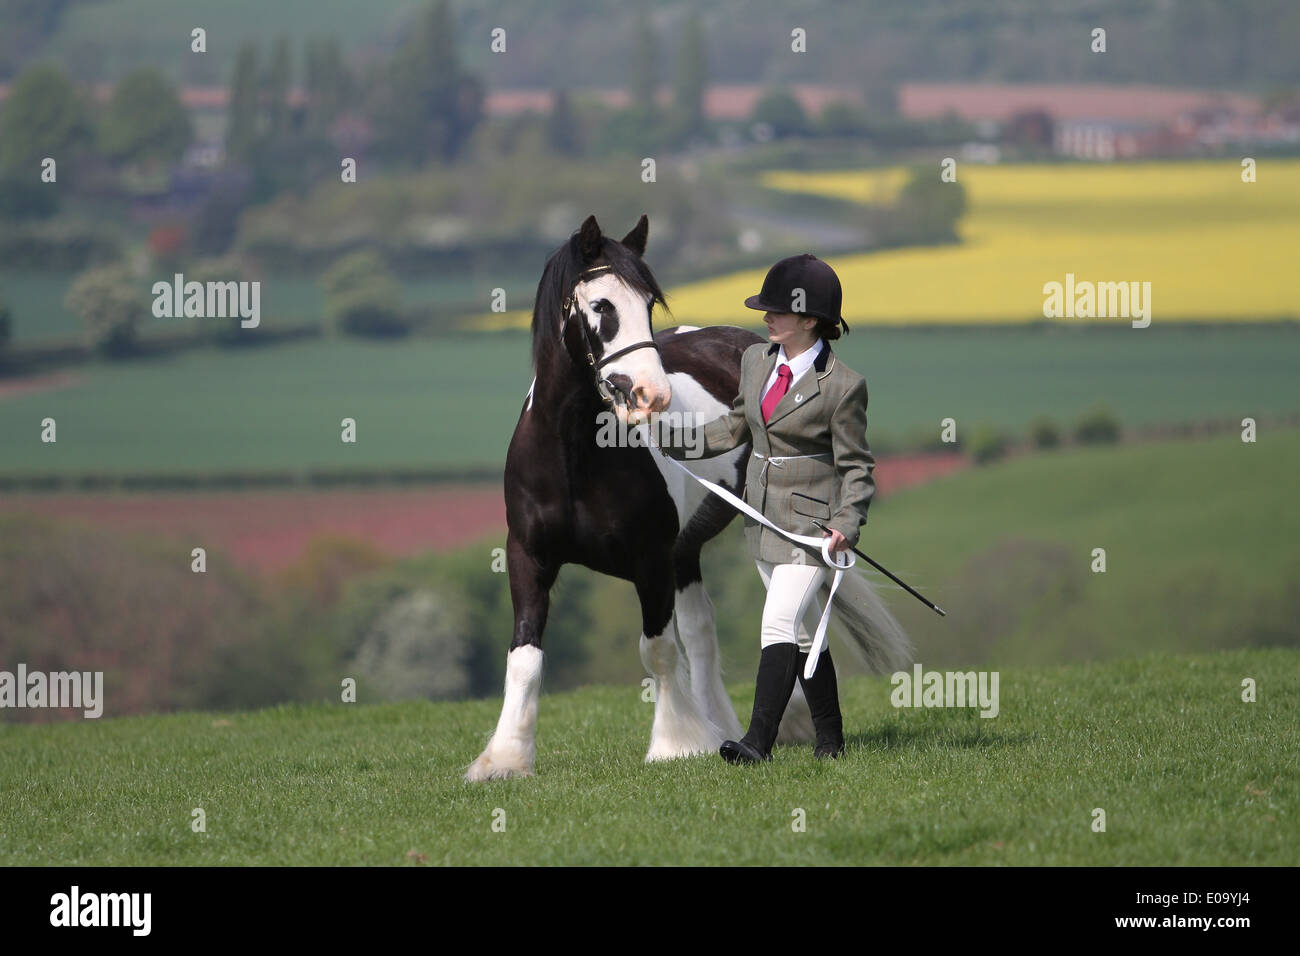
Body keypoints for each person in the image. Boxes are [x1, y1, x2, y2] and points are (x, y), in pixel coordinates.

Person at [656, 253, 875, 763]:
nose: (765, 317)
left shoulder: (843, 386)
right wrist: (668, 439)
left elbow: (859, 468)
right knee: (802, 634)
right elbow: (733, 429)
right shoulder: (756, 363)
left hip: (810, 530)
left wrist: (846, 524)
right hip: (762, 522)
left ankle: (757, 743)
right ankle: (831, 742)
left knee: (777, 625)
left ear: (809, 319)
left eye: (776, 310)